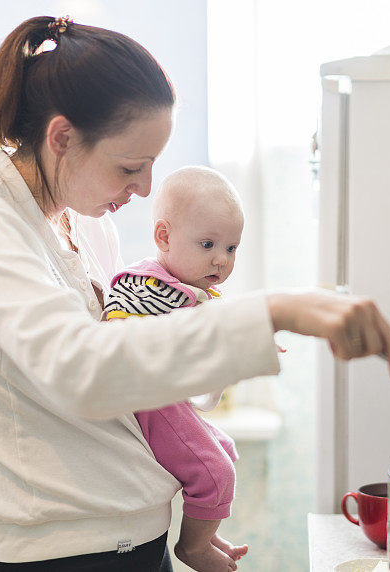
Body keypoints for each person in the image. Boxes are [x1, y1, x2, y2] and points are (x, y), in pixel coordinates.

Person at [0, 15, 390, 572]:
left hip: (138, 539)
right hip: (64, 558)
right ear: (62, 138)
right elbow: (83, 370)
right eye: (130, 166)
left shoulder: (84, 223)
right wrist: (274, 310)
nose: (146, 187)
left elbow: (137, 369)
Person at [103, 166, 249, 572]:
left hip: (167, 398)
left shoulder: (183, 287)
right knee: (216, 473)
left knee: (224, 450)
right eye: (208, 244)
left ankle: (203, 531)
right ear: (164, 236)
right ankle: (193, 548)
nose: (221, 259)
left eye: (232, 248)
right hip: (150, 401)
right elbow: (132, 326)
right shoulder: (148, 285)